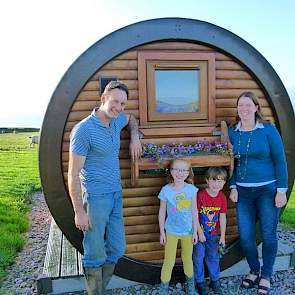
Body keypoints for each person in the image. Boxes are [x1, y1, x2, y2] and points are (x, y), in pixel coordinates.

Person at [68, 80, 142, 295]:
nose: (119, 107)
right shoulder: (83, 130)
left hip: (115, 194)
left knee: (117, 248)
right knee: (94, 253)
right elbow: (72, 174)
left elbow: (132, 120)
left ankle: (100, 289)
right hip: (95, 198)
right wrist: (79, 212)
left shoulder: (117, 121)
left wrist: (135, 136)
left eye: (123, 104)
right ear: (103, 99)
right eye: (115, 101)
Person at [228, 91, 288, 295]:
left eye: (248, 105)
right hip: (243, 193)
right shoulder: (232, 132)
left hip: (267, 190)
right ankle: (254, 270)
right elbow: (230, 164)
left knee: (269, 235)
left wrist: (282, 190)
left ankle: (267, 274)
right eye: (240, 105)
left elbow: (281, 160)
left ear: (256, 108)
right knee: (245, 236)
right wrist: (233, 186)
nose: (243, 109)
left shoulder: (268, 130)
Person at [158, 157, 200, 295]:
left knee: (187, 258)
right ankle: (164, 287)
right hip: (171, 231)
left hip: (188, 231)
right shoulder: (166, 190)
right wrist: (162, 232)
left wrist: (195, 232)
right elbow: (162, 212)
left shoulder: (191, 190)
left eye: (184, 170)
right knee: (169, 260)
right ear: (171, 171)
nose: (180, 173)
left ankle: (190, 286)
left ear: (188, 173)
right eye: (176, 169)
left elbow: (195, 211)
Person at [193, 167, 227, 295]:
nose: (216, 184)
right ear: (207, 180)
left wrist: (222, 235)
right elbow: (194, 214)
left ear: (224, 183)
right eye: (213, 180)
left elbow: (222, 216)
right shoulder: (200, 195)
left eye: (220, 181)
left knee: (213, 257)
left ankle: (214, 280)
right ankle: (200, 281)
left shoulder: (222, 197)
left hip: (213, 234)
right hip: (199, 234)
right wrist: (199, 232)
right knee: (198, 256)